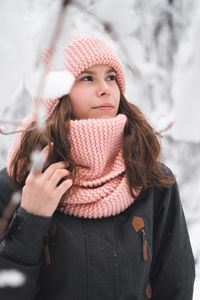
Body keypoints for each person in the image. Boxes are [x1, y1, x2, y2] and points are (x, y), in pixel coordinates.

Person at [0, 34, 195, 300]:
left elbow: (175, 286)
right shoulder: (18, 184)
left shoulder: (152, 180)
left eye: (111, 77)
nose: (105, 88)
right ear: (55, 96)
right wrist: (31, 219)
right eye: (87, 78)